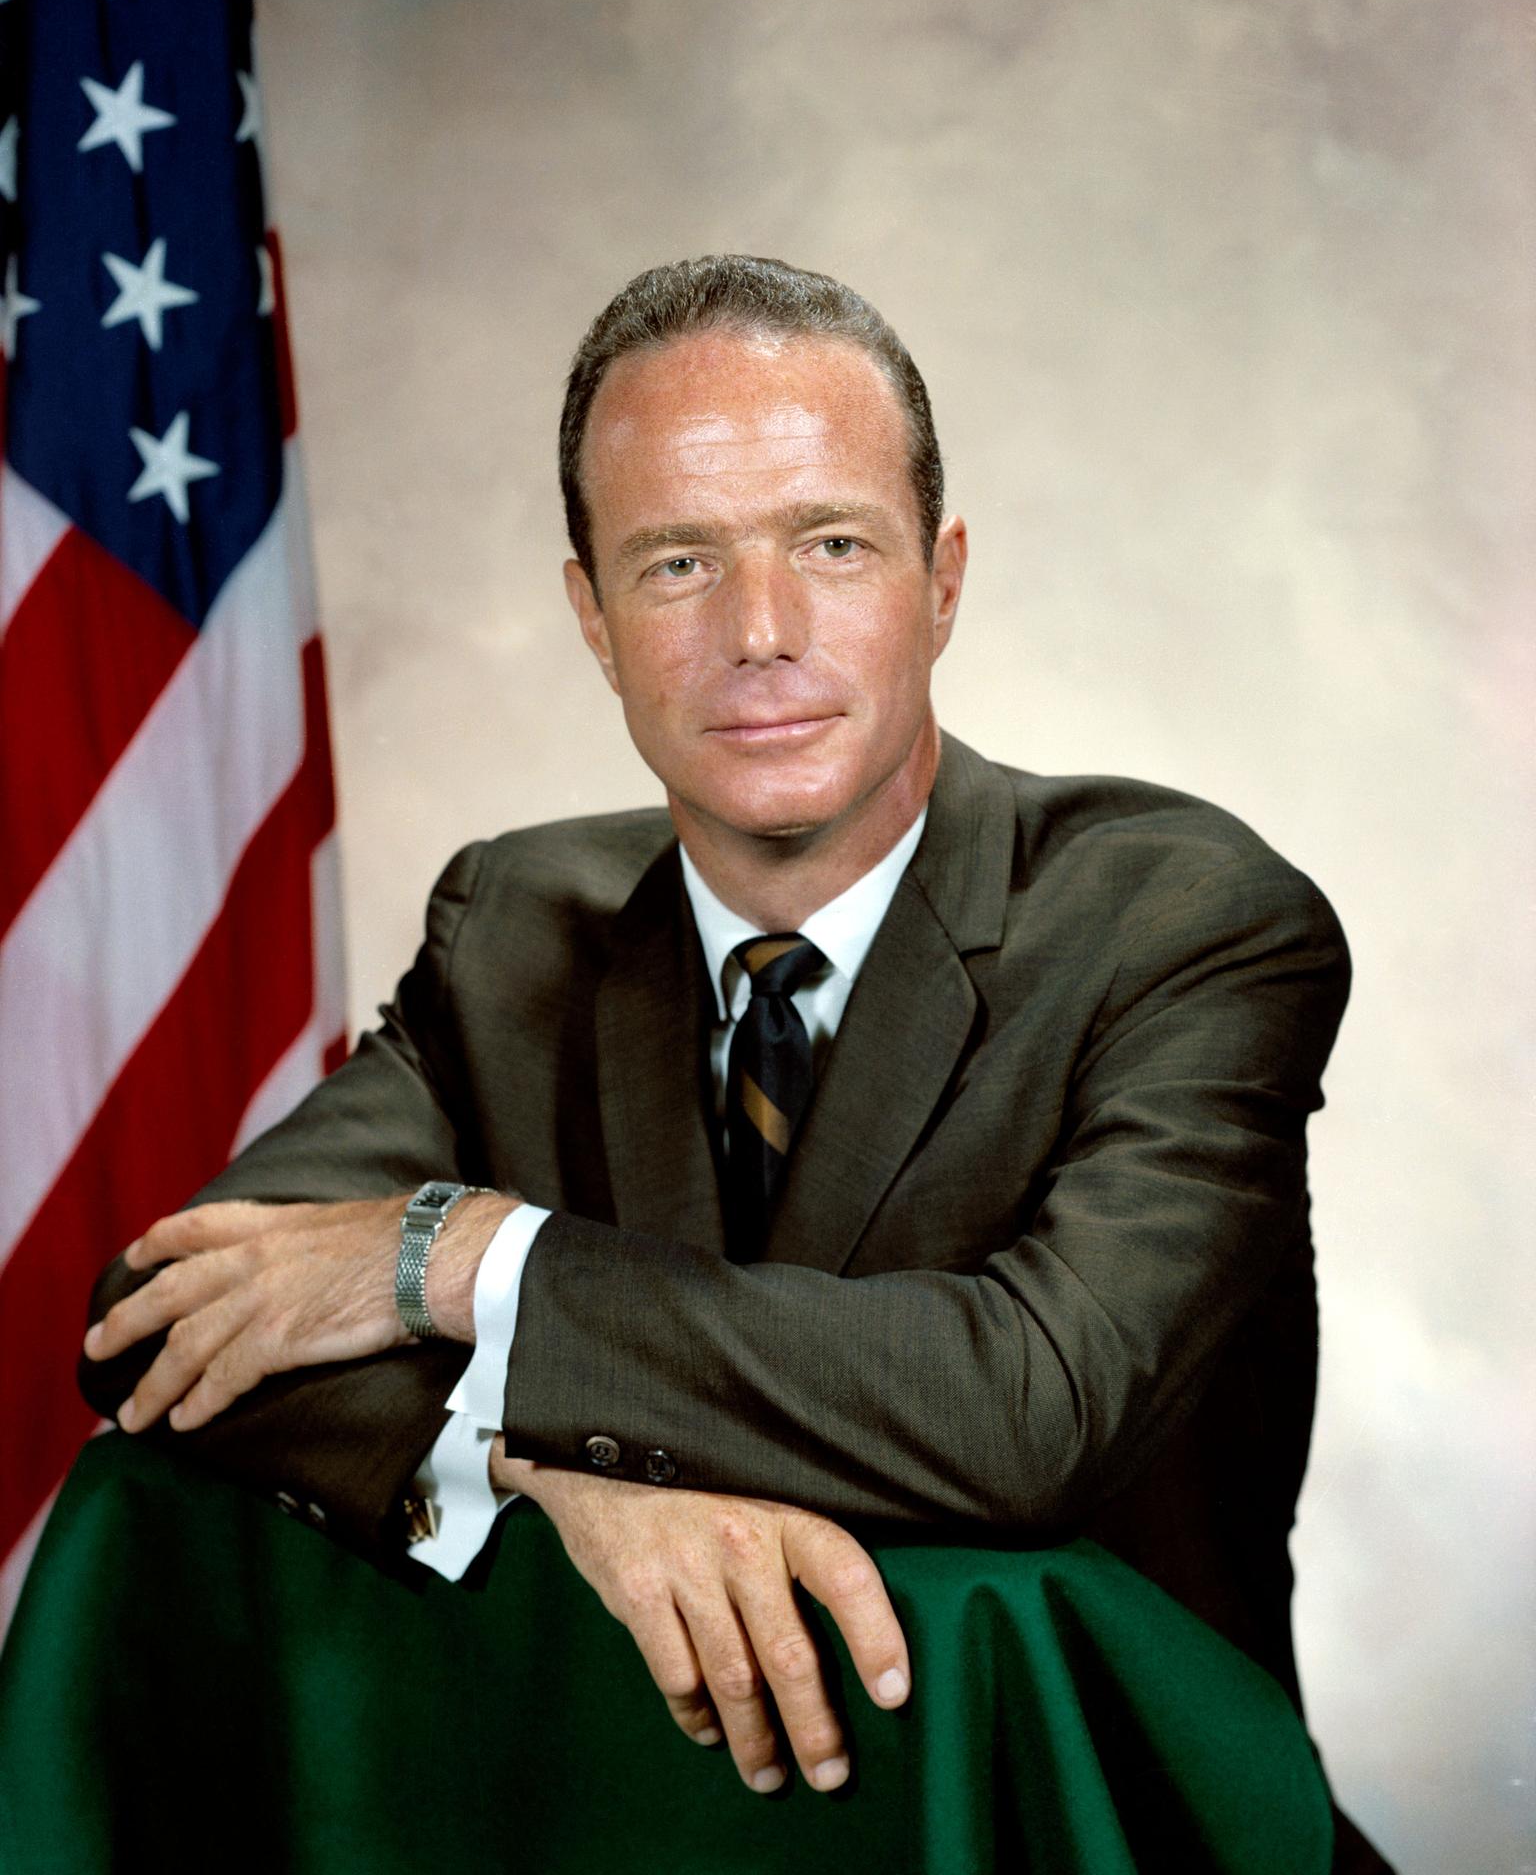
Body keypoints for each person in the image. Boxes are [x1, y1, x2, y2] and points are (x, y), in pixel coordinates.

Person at [80, 254, 1389, 1866]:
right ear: (591, 617)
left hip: (1073, 1829)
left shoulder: (1184, 920)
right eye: (678, 561)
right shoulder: (516, 924)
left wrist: (478, 1261)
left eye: (832, 546)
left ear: (944, 578)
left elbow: (1033, 1402)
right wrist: (547, 1472)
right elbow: (161, 1318)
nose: (760, 633)